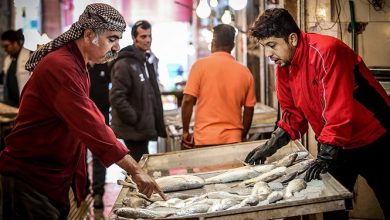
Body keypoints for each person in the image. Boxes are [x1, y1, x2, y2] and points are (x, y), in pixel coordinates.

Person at [0, 4, 166, 219]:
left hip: (52, 177)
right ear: (89, 35)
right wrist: (135, 170)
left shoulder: (79, 64)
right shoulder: (60, 66)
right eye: (112, 39)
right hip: (30, 179)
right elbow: (91, 124)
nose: (117, 47)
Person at [244, 8, 390, 220]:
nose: (268, 53)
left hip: (375, 138)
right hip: (338, 143)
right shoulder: (283, 66)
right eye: (264, 46)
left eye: (272, 45)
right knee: (332, 209)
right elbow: (293, 116)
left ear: (292, 39)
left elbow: (339, 111)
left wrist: (325, 154)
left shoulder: (326, 51)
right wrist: (270, 145)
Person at [181, 24, 256, 148]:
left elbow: (188, 100)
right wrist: (243, 134)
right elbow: (249, 109)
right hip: (233, 139)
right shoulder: (245, 72)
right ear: (233, 46)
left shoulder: (199, 66)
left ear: (213, 43)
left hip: (204, 138)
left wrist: (185, 131)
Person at [110, 20, 167, 162]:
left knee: (142, 168)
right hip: (133, 130)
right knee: (139, 171)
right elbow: (117, 97)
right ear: (134, 38)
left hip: (142, 128)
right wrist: (135, 118)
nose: (147, 40)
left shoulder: (145, 61)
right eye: (143, 36)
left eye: (149, 36)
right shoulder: (125, 63)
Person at [87, 63, 111, 209]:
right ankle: (82, 187)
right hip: (78, 118)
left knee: (99, 156)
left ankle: (98, 193)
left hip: (100, 120)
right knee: (78, 157)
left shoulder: (105, 66)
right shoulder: (79, 65)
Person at [1, 29, 32, 107]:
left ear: (15, 43)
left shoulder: (31, 56)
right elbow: (3, 77)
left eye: (6, 46)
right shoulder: (8, 59)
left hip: (26, 102)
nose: (5, 49)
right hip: (10, 102)